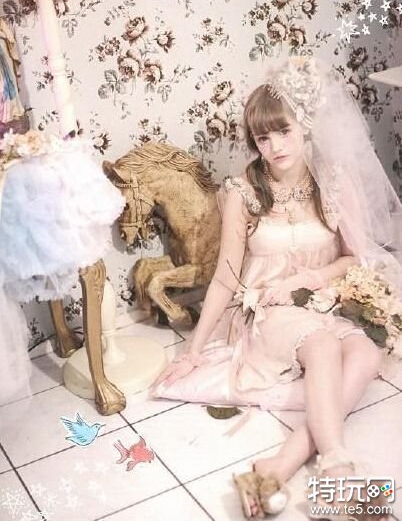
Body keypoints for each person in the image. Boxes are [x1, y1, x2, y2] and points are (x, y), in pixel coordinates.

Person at [152, 57, 401, 520]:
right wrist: (195, 348)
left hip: (324, 297)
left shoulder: (333, 182)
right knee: (324, 346)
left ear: (305, 125)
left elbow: (354, 257)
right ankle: (337, 470)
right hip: (266, 306)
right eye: (263, 138)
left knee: (366, 354)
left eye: (283, 131)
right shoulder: (243, 191)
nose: (274, 146)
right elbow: (226, 276)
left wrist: (310, 279)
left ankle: (276, 467)